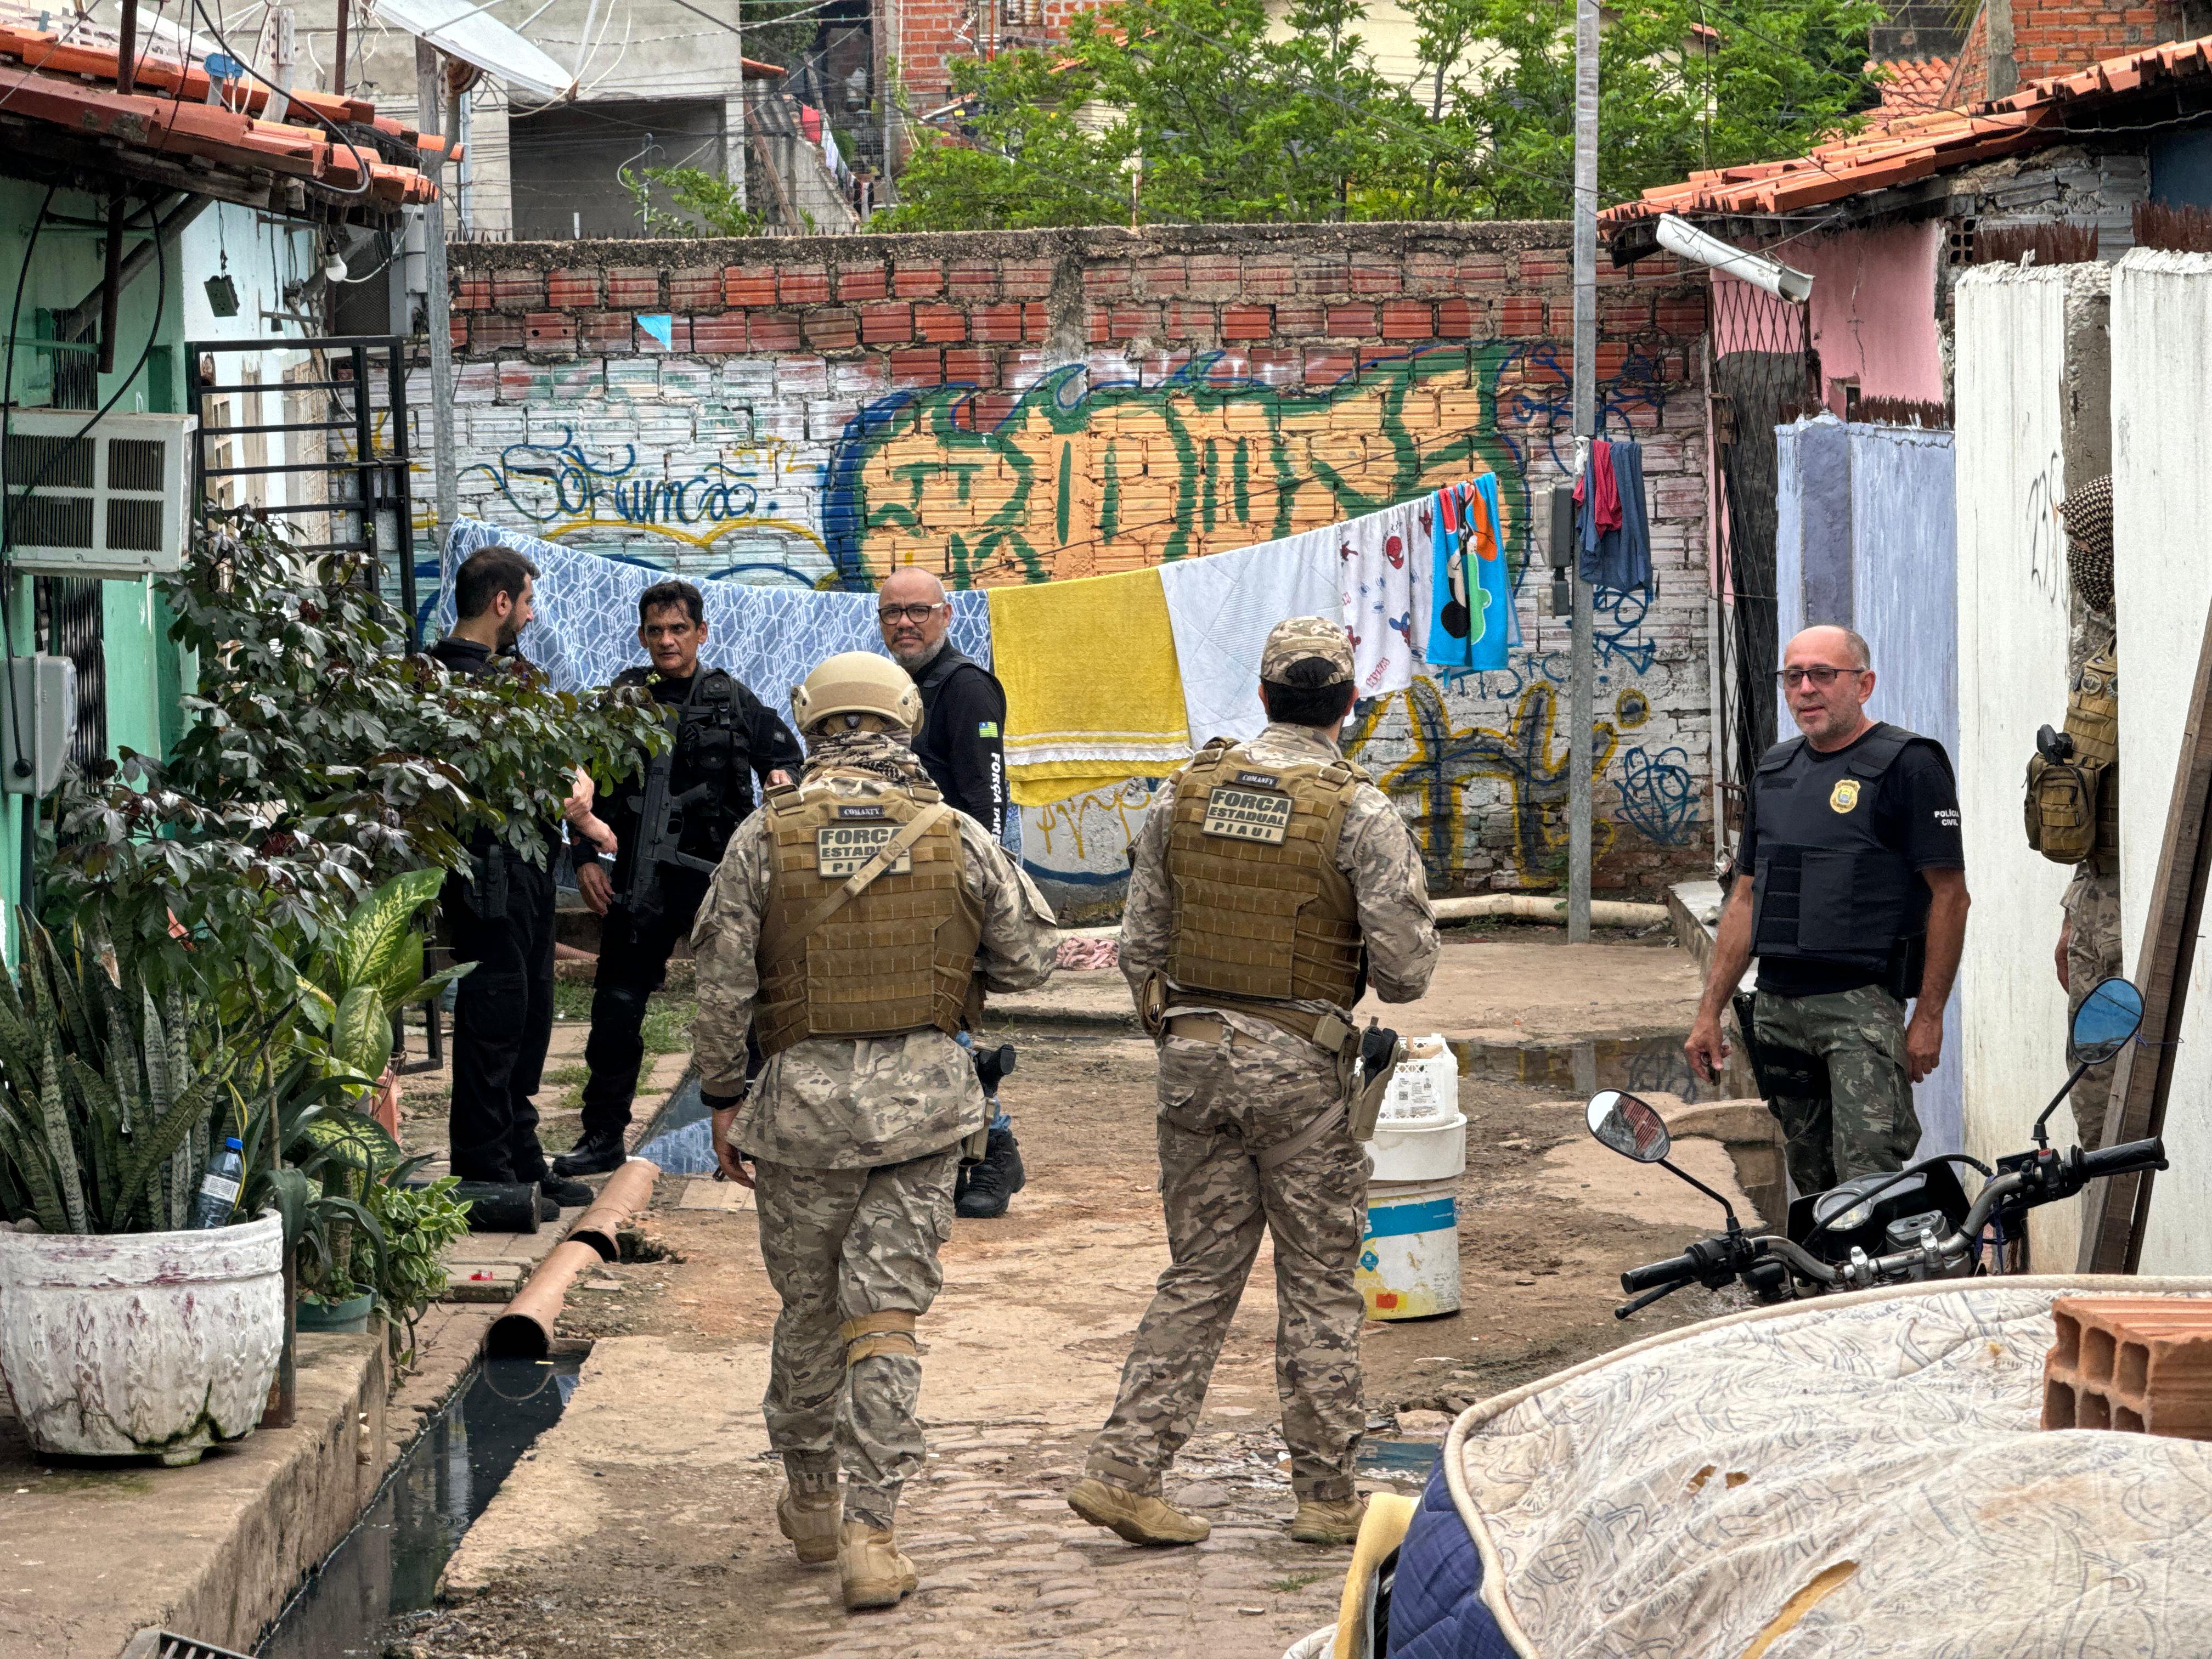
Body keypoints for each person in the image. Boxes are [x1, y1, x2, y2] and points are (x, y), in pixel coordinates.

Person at [690, 651, 1058, 1612]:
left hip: (800, 1116)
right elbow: (1029, 963)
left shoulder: (762, 838)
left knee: (808, 1310)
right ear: (904, 720)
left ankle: (811, 1501)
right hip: (923, 1118)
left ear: (811, 726)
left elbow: (721, 982)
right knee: (883, 1318)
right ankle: (871, 1533)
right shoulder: (957, 836)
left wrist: (724, 1097)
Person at [1068, 616, 1438, 1550]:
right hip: (1300, 1071)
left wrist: (1188, 1025)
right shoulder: (1358, 810)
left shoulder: (1183, 795)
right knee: (1317, 1282)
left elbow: (1139, 947)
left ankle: (1124, 1471)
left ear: (1264, 695)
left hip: (1192, 1059)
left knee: (1197, 1274)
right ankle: (1323, 1498)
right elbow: (1404, 974)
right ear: (1346, 703)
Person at [1685, 624, 1970, 1197]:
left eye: (1823, 675)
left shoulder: (1910, 765)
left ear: (1863, 685)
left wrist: (1930, 1017)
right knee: (1811, 1183)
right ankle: (1819, 1288)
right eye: (1795, 677)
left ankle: (1880, 1286)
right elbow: (1745, 897)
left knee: (1869, 1183)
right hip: (1778, 1009)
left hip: (1859, 1010)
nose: (1806, 689)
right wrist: (1708, 1010)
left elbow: (1950, 897)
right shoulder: (1774, 770)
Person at [553, 579, 803, 1178]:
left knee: (742, 1009)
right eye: (656, 631)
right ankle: (603, 1136)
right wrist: (585, 857)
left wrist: (780, 781)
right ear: (643, 636)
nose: (667, 641)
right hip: (639, 882)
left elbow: (785, 755)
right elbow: (581, 784)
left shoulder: (731, 698)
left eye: (678, 630)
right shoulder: (620, 700)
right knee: (616, 1012)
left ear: (701, 633)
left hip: (719, 881)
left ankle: (751, 1138)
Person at [427, 545, 592, 1214]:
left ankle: (522, 1154)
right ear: (502, 603)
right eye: (527, 602)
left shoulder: (510, 675)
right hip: (487, 875)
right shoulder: (447, 680)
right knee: (493, 1019)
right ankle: (483, 1167)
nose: (532, 614)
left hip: (525, 869)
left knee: (527, 1015)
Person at [876, 567, 1025, 1220]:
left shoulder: (965, 689)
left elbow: (987, 809)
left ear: (946, 615)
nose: (904, 624)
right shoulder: (886, 689)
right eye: (891, 614)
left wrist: (979, 905)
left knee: (948, 1030)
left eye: (917, 611)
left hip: (950, 898)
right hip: (892, 897)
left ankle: (997, 1149)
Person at [2051, 476, 2122, 1146]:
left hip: (2130, 904)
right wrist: (2072, 911)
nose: (2076, 558)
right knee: (2089, 1066)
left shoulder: (2148, 638)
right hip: (2094, 894)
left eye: (2083, 542)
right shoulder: (2101, 642)